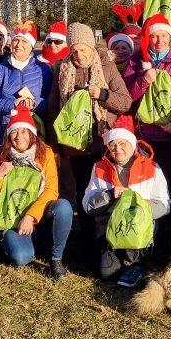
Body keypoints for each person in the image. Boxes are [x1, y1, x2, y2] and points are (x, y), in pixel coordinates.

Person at [47, 21, 132, 253]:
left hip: (102, 142)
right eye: (74, 49)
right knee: (84, 193)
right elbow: (54, 108)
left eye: (83, 49)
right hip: (73, 144)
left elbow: (125, 102)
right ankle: (86, 241)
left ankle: (108, 239)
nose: (78, 54)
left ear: (91, 47)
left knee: (107, 190)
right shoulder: (62, 69)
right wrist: (56, 144)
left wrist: (102, 94)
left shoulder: (106, 66)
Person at [121, 13, 171, 209]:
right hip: (143, 136)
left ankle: (169, 230)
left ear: (170, 37)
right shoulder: (135, 62)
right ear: (147, 38)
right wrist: (144, 80)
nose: (159, 40)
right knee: (143, 185)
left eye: (164, 35)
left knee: (170, 185)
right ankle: (145, 229)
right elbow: (125, 98)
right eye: (155, 36)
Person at [83, 116, 170, 287]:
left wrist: (140, 206)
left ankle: (136, 262)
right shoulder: (99, 168)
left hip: (139, 229)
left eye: (123, 144)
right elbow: (87, 206)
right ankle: (124, 261)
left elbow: (164, 205)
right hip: (109, 228)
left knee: (132, 256)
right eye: (113, 144)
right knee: (106, 274)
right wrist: (109, 195)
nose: (118, 149)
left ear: (133, 144)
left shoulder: (153, 168)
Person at [0, 108, 72, 278]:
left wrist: (31, 216)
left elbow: (51, 190)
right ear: (9, 135)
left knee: (63, 207)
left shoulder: (45, 154)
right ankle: (16, 242)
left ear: (32, 133)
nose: (19, 136)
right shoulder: (0, 158)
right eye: (15, 131)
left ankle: (56, 258)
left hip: (38, 216)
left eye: (24, 131)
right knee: (21, 258)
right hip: (13, 219)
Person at [0, 20, 51, 149]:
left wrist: (34, 103)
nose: (19, 45)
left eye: (24, 41)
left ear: (32, 45)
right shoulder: (0, 69)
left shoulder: (43, 70)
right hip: (6, 132)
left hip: (33, 133)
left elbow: (51, 101)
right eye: (15, 40)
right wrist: (13, 104)